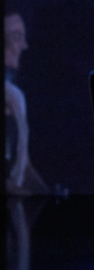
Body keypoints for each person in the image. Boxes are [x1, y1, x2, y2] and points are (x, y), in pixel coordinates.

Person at [5, 12, 48, 195]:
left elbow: (24, 166)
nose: (24, 46)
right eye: (16, 37)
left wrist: (46, 195)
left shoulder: (16, 96)